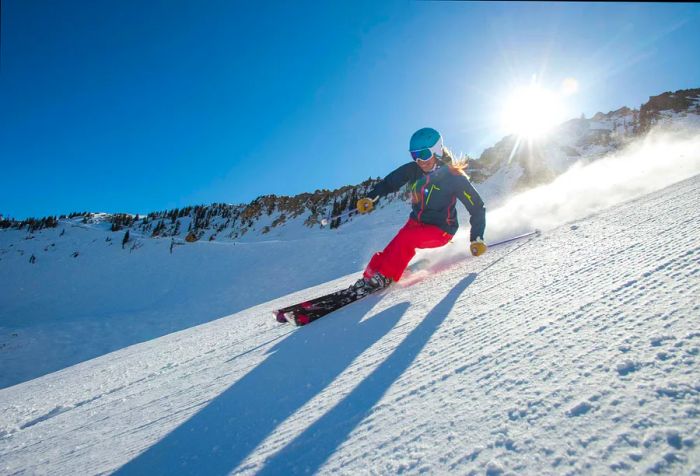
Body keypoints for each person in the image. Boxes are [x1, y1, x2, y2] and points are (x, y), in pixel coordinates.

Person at [353, 127, 487, 292]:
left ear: (437, 151)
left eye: (424, 154)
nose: (420, 161)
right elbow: (389, 183)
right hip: (416, 222)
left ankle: (385, 277)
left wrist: (477, 238)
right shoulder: (413, 170)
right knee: (393, 248)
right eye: (415, 155)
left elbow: (477, 207)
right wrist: (372, 197)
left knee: (406, 240)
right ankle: (369, 277)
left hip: (441, 230)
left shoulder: (454, 177)